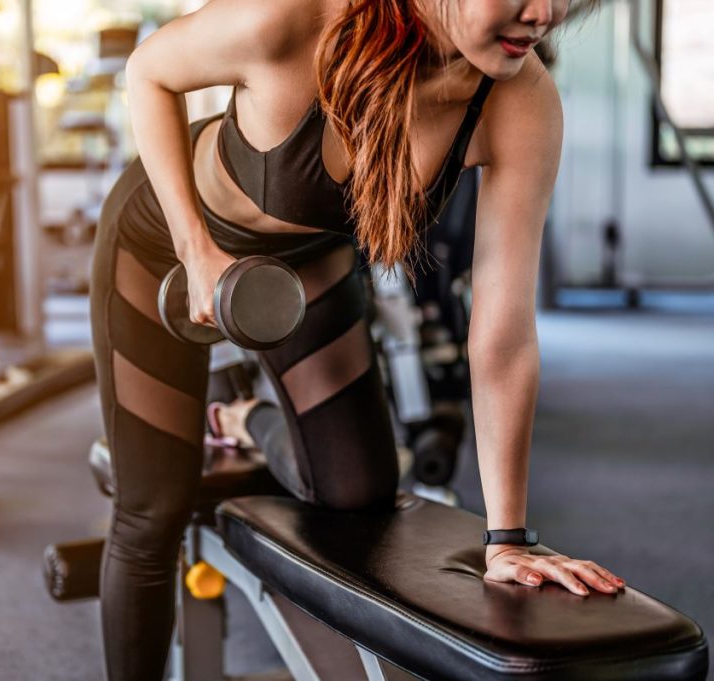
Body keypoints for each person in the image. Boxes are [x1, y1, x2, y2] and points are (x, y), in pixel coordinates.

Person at [89, 0, 624, 678]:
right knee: (152, 510)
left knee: (357, 497)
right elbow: (149, 72)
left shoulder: (519, 103)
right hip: (161, 244)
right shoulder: (293, 20)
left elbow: (505, 334)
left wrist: (507, 538)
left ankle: (240, 419)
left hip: (308, 266)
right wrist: (196, 253)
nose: (544, 12)